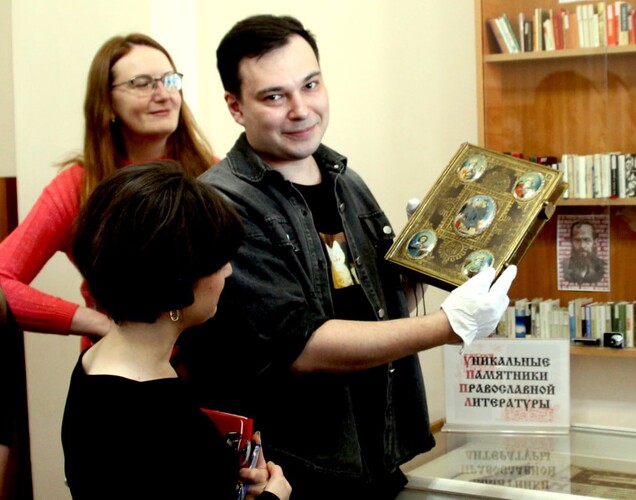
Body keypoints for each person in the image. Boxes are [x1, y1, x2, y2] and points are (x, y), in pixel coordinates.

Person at [176, 14, 517, 499]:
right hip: (287, 475)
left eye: (310, 85)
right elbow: (299, 346)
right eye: (274, 97)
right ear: (235, 106)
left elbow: (373, 308)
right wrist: (447, 326)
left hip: (374, 457)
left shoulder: (344, 181)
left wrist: (430, 260)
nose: (301, 110)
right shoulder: (221, 205)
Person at [62, 162, 291, 500]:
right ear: (177, 282)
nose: (228, 272)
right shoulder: (154, 414)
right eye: (219, 262)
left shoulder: (95, 361)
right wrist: (274, 496)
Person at [0, 33, 215, 338]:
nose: (164, 95)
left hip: (209, 361)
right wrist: (97, 324)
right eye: (142, 83)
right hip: (118, 363)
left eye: (169, 80)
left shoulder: (214, 173)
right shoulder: (78, 186)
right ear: (107, 103)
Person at [563, 221, 606, 285]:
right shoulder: (563, 267)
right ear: (571, 241)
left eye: (586, 240)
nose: (582, 246)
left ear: (595, 242)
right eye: (577, 240)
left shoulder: (604, 268)